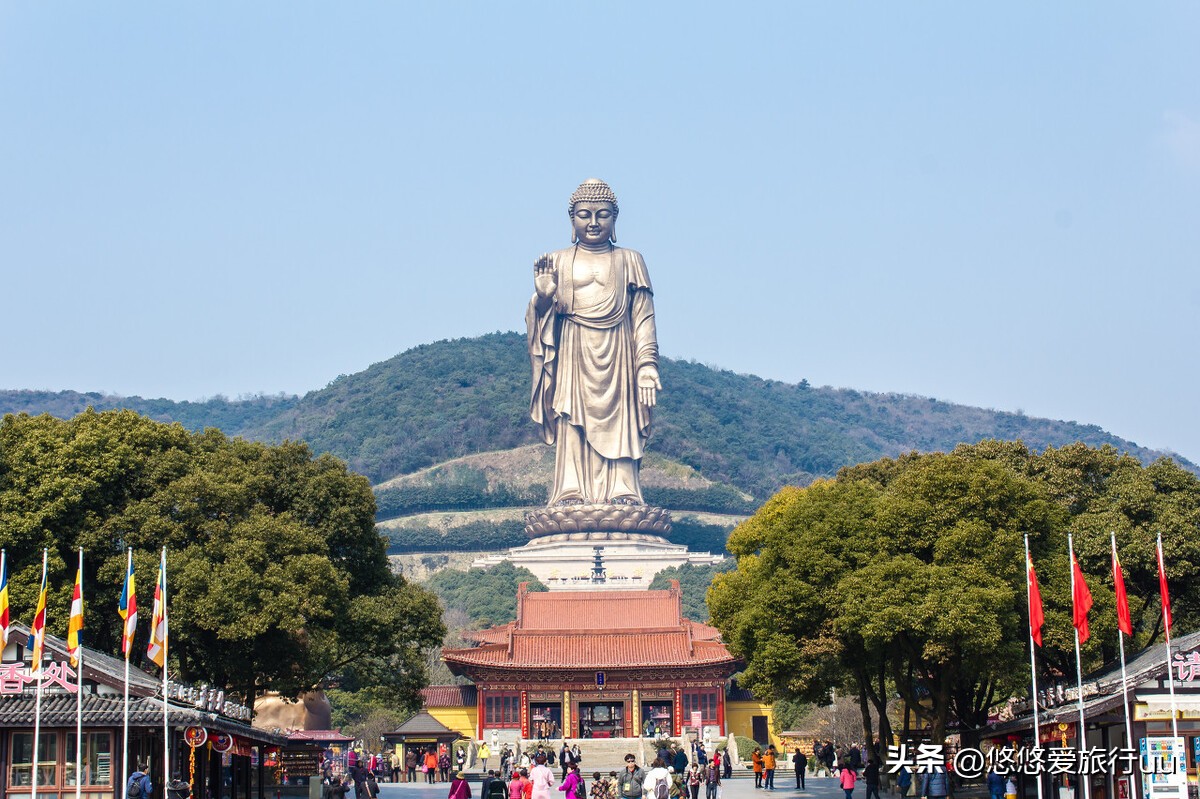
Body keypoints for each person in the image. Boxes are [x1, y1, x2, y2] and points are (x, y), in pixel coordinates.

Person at [527, 178, 661, 507]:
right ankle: (570, 490)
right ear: (572, 220)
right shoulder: (557, 260)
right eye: (584, 215)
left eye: (602, 215)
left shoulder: (630, 260)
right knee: (571, 419)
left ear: (614, 220)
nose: (593, 223)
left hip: (619, 354)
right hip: (573, 349)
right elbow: (540, 318)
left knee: (621, 420)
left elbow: (643, 317)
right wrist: (543, 299)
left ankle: (623, 490)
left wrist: (646, 366)